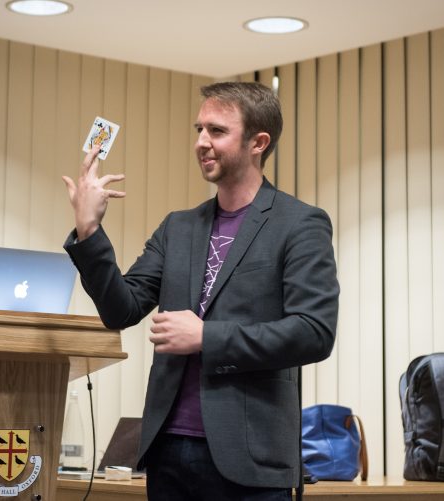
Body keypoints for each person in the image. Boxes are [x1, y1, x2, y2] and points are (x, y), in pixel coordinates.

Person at [61, 81, 339, 500]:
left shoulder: (299, 224)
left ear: (257, 142)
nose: (201, 142)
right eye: (198, 129)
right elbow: (122, 309)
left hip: (251, 460)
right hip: (169, 451)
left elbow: (313, 332)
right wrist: (89, 230)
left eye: (216, 131)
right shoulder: (178, 227)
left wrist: (206, 337)